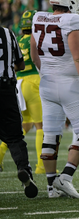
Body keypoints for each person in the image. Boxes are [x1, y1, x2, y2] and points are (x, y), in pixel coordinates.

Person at [30, 0, 79, 199]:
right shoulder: (73, 19)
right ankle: (65, 178)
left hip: (47, 83)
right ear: (72, 1)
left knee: (50, 135)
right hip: (68, 83)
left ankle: (51, 188)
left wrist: (45, 74)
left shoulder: (37, 17)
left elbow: (34, 53)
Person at [0, 10, 45, 175]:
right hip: (34, 82)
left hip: (19, 84)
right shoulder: (36, 39)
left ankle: (0, 155)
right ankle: (41, 165)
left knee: (22, 126)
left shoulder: (17, 39)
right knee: (41, 125)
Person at [0, 25, 38, 198]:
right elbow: (20, 64)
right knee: (15, 137)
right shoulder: (8, 33)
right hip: (6, 88)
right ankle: (25, 172)